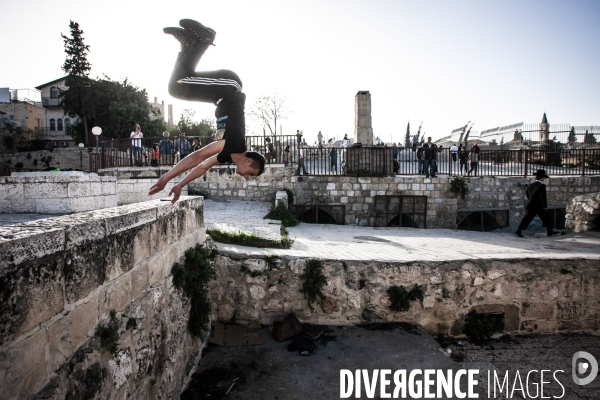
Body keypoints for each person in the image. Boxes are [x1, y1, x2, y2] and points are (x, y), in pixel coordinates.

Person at [149, 18, 265, 204]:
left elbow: (202, 167)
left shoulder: (228, 154)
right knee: (177, 86)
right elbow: (198, 156)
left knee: (179, 85)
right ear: (248, 161)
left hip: (220, 94)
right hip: (228, 87)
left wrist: (179, 184)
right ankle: (203, 40)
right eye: (249, 174)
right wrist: (167, 177)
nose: (245, 177)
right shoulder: (235, 144)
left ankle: (188, 45)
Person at [516, 170, 562, 237]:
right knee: (545, 217)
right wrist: (545, 205)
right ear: (542, 178)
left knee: (527, 218)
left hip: (531, 205)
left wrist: (531, 201)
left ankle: (519, 230)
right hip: (539, 205)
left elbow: (527, 194)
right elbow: (543, 196)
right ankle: (550, 231)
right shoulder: (542, 185)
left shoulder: (530, 185)